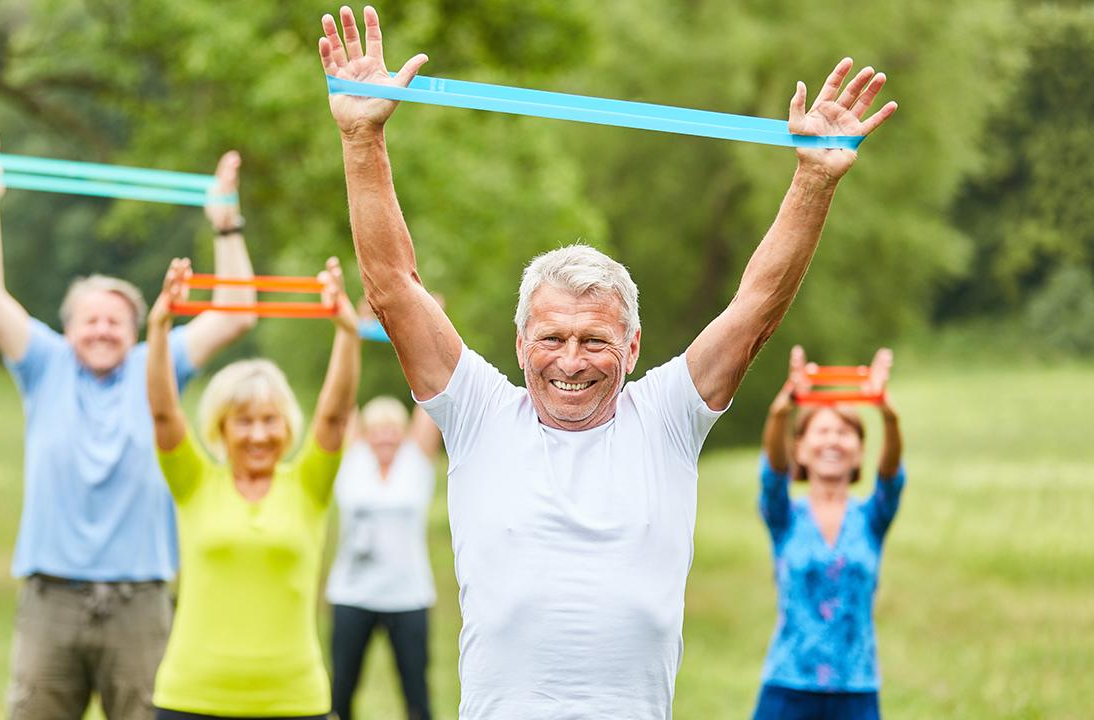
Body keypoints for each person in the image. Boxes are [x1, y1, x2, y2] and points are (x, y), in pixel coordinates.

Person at [316, 5, 898, 717]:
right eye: (552, 337)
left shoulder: (667, 418)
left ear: (632, 347)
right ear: (520, 340)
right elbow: (392, 289)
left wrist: (814, 180)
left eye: (594, 341)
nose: (571, 360)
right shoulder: (477, 413)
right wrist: (360, 138)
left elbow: (754, 313)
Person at [0, 131, 258, 720]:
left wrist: (225, 224)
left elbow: (237, 312)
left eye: (115, 321)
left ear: (137, 328)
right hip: (51, 600)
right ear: (68, 330)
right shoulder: (44, 364)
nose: (101, 331)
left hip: (139, 604)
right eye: (89, 320)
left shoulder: (159, 365)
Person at [145, 256, 360, 720]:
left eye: (269, 420)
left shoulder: (308, 484)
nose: (258, 435)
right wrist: (159, 328)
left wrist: (346, 332)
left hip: (295, 701)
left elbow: (335, 416)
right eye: (243, 421)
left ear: (287, 426)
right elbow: (164, 414)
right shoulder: (194, 480)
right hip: (191, 698)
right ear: (221, 427)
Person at [752, 347, 904, 720]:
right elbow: (772, 473)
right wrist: (782, 409)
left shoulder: (872, 517)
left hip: (856, 688)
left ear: (859, 452)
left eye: (845, 433)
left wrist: (886, 413)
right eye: (822, 431)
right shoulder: (785, 516)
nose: (833, 441)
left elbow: (891, 474)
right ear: (799, 449)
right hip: (788, 686)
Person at [325, 393, 442, 720]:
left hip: (407, 597)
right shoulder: (352, 459)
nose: (385, 436)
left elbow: (431, 389)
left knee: (416, 693)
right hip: (352, 594)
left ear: (404, 433)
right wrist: (349, 340)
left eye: (392, 429)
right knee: (342, 692)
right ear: (364, 432)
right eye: (376, 429)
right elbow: (342, 398)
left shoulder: (416, 460)